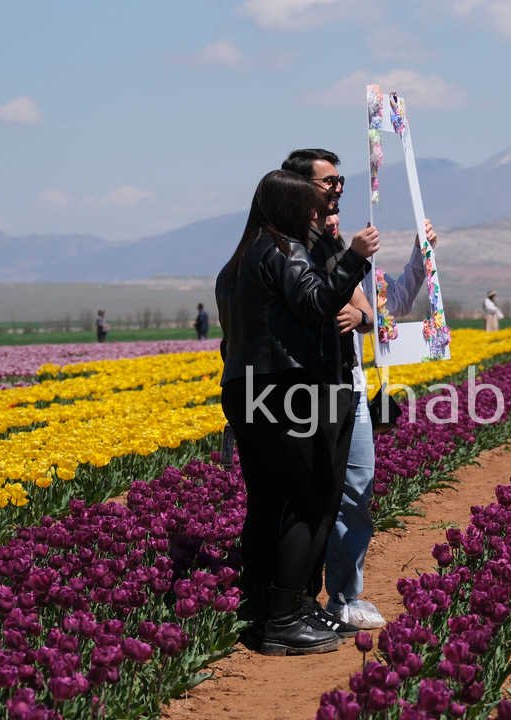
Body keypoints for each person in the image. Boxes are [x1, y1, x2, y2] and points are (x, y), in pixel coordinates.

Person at [216, 167, 379, 656]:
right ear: (289, 207)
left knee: (267, 503)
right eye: (308, 205)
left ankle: (265, 604)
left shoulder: (237, 260)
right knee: (308, 502)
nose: (316, 212)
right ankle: (285, 617)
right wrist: (354, 259)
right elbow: (316, 304)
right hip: (288, 391)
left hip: (246, 390)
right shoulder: (284, 250)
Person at [282, 148, 441, 631]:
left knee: (356, 488)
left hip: (349, 385)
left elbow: (388, 308)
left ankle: (345, 596)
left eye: (339, 186)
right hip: (303, 393)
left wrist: (420, 255)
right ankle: (295, 597)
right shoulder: (286, 250)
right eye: (328, 186)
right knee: (308, 495)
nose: (337, 196)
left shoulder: (344, 250)